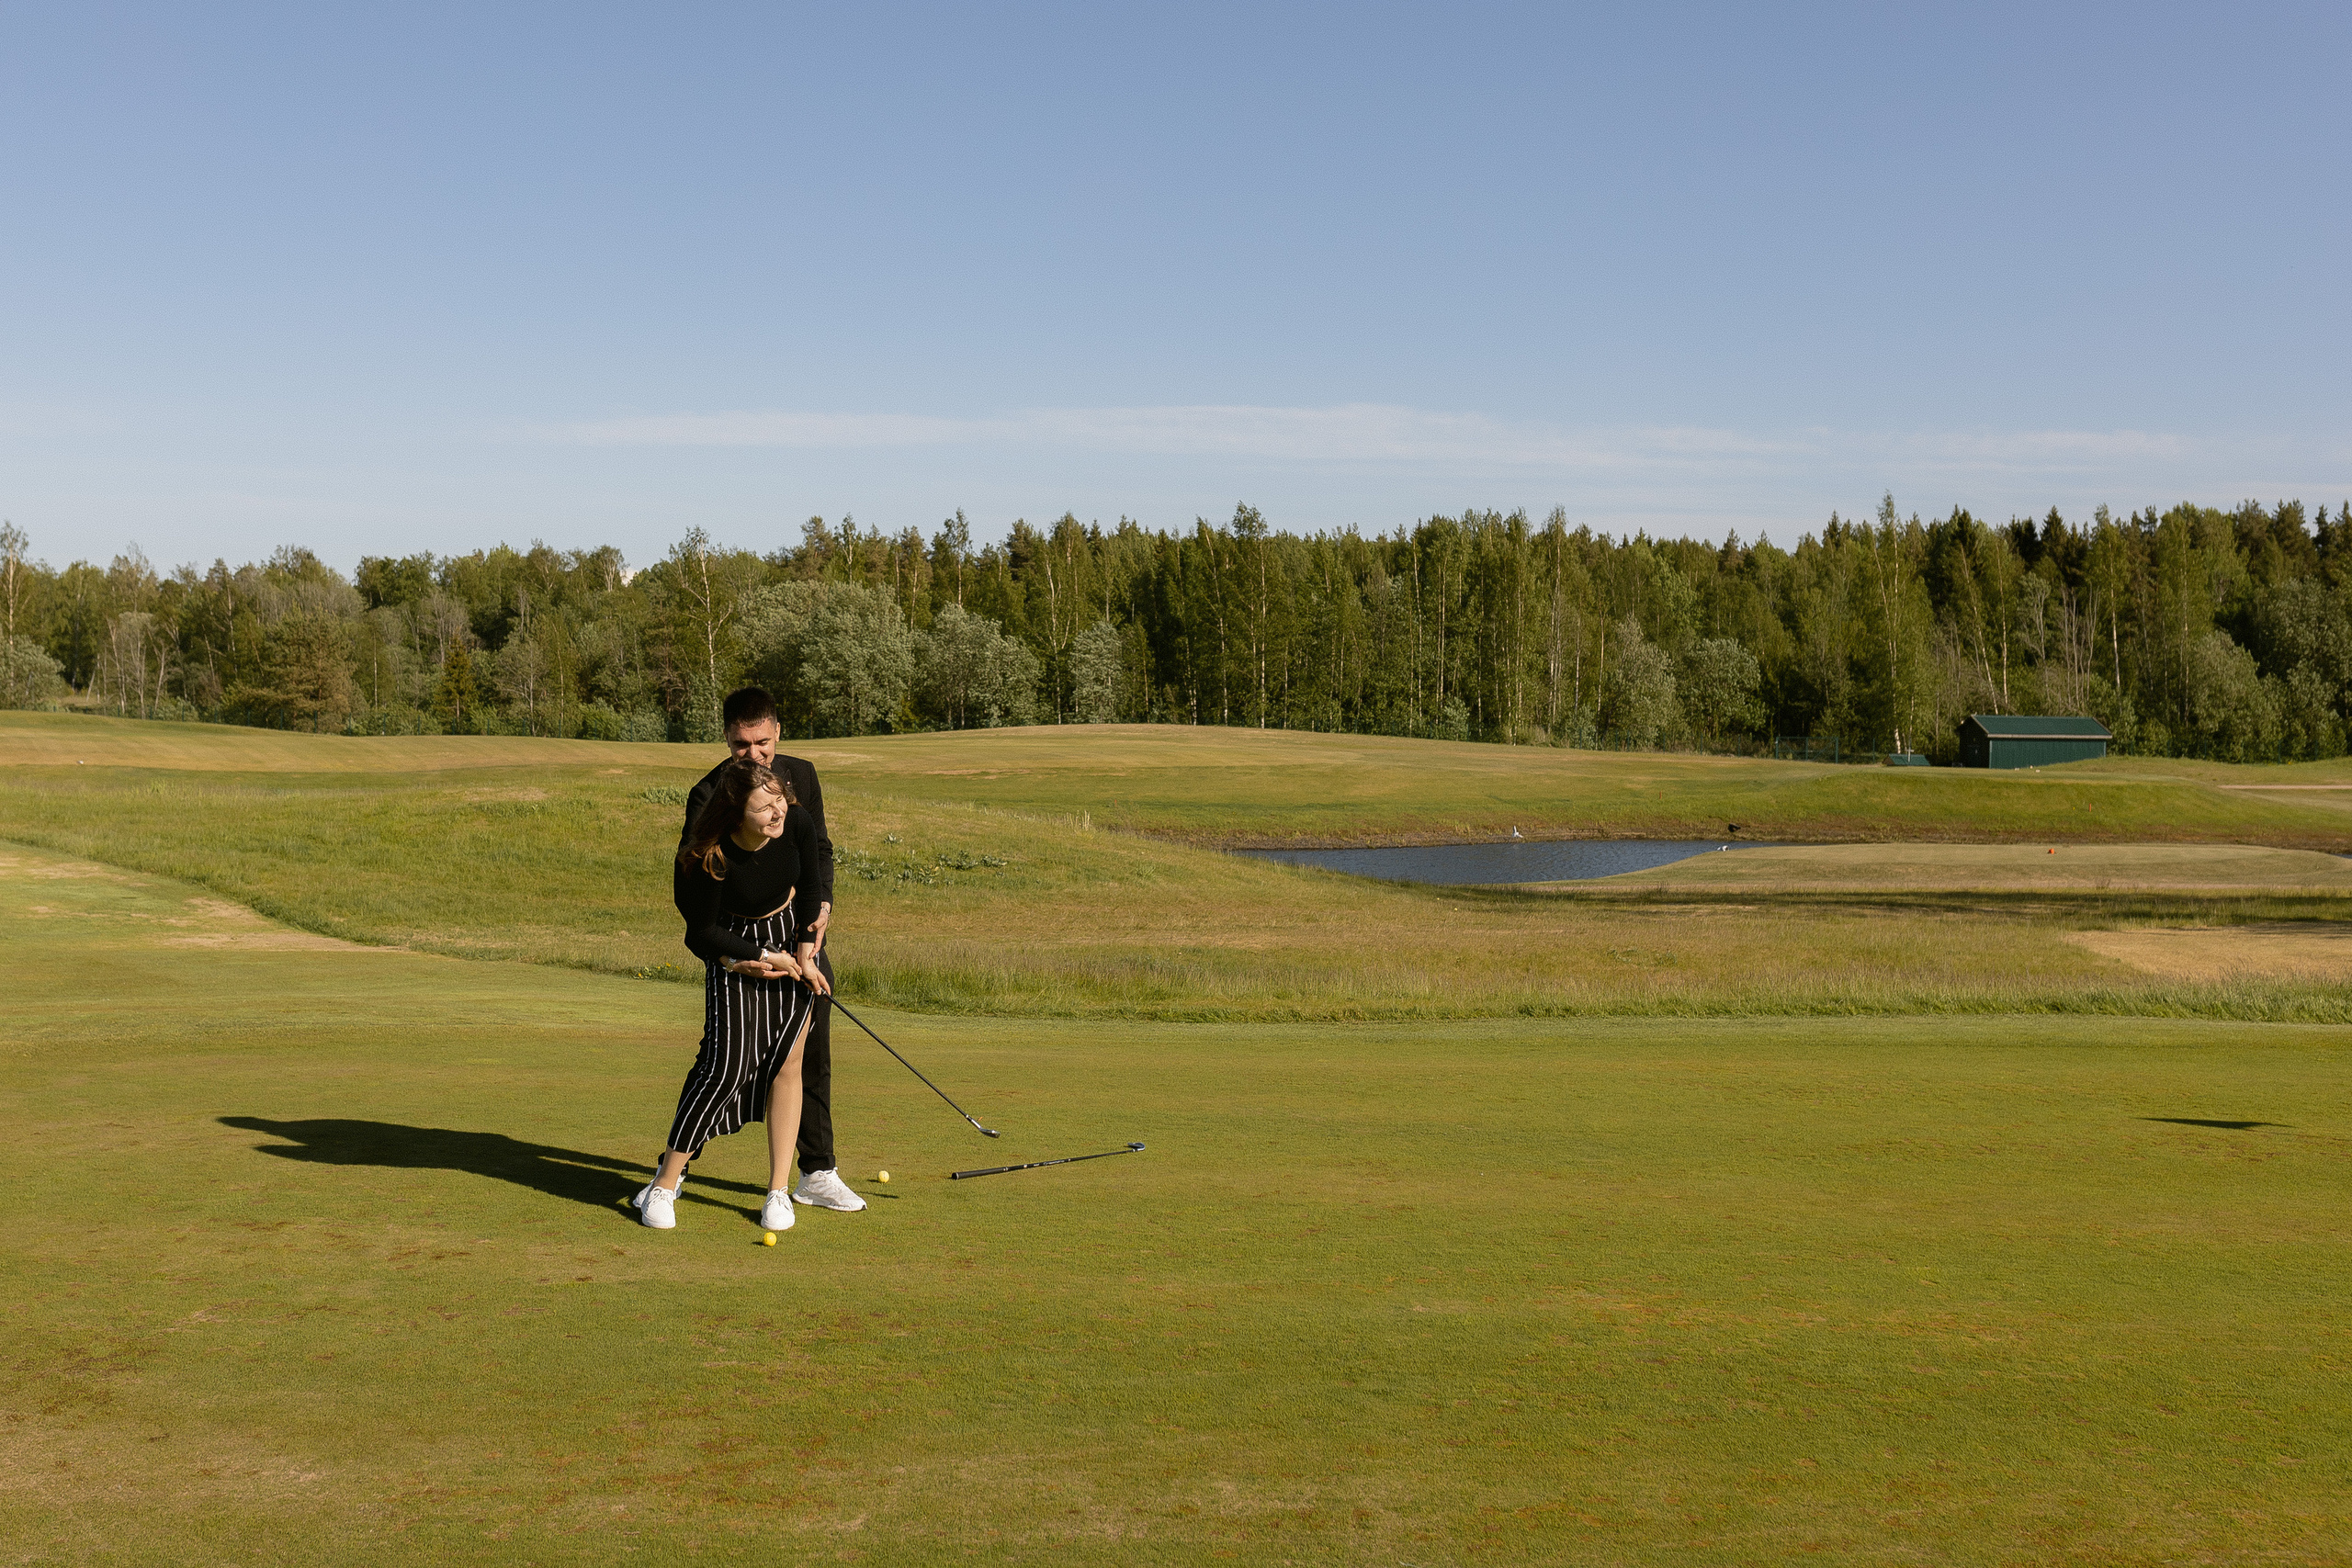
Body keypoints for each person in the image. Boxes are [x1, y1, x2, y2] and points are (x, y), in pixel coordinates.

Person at [677, 687, 865, 1213]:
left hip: (800, 931)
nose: (754, 753)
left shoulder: (801, 775)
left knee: (811, 1052)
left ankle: (817, 1172)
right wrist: (737, 954)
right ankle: (676, 1170)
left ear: (777, 733)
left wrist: (819, 916)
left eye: (762, 742)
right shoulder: (707, 794)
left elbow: (818, 851)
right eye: (741, 744)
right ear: (727, 739)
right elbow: (693, 893)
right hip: (738, 939)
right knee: (724, 1062)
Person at [636, 757, 831, 1231]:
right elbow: (699, 932)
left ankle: (778, 1192)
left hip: (789, 939)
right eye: (764, 808)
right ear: (736, 813)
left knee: (789, 1064)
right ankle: (663, 1184)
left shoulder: (797, 822)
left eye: (779, 800)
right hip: (734, 948)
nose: (777, 813)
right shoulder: (710, 857)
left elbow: (810, 889)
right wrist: (759, 955)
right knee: (725, 1066)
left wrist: (805, 955)